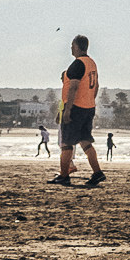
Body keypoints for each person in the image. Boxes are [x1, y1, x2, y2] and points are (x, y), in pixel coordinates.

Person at [50, 35, 104, 188]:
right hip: (89, 107)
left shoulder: (78, 64)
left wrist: (67, 110)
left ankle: (64, 176)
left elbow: (73, 88)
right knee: (85, 141)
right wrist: (90, 101)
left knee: (66, 143)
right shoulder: (91, 63)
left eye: (72, 46)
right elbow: (96, 86)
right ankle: (97, 172)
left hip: (76, 108)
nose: (71, 48)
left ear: (78, 47)